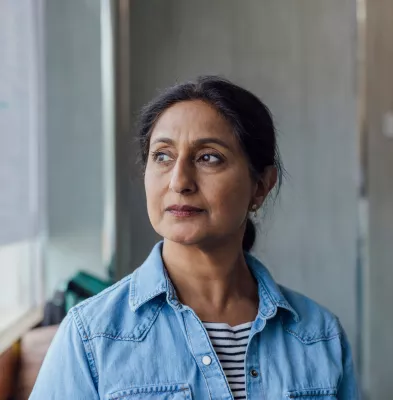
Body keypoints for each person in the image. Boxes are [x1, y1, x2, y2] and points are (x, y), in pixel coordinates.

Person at [30, 76, 358, 399]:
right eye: (162, 156)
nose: (179, 181)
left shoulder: (319, 336)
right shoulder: (91, 335)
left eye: (208, 157)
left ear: (260, 185)